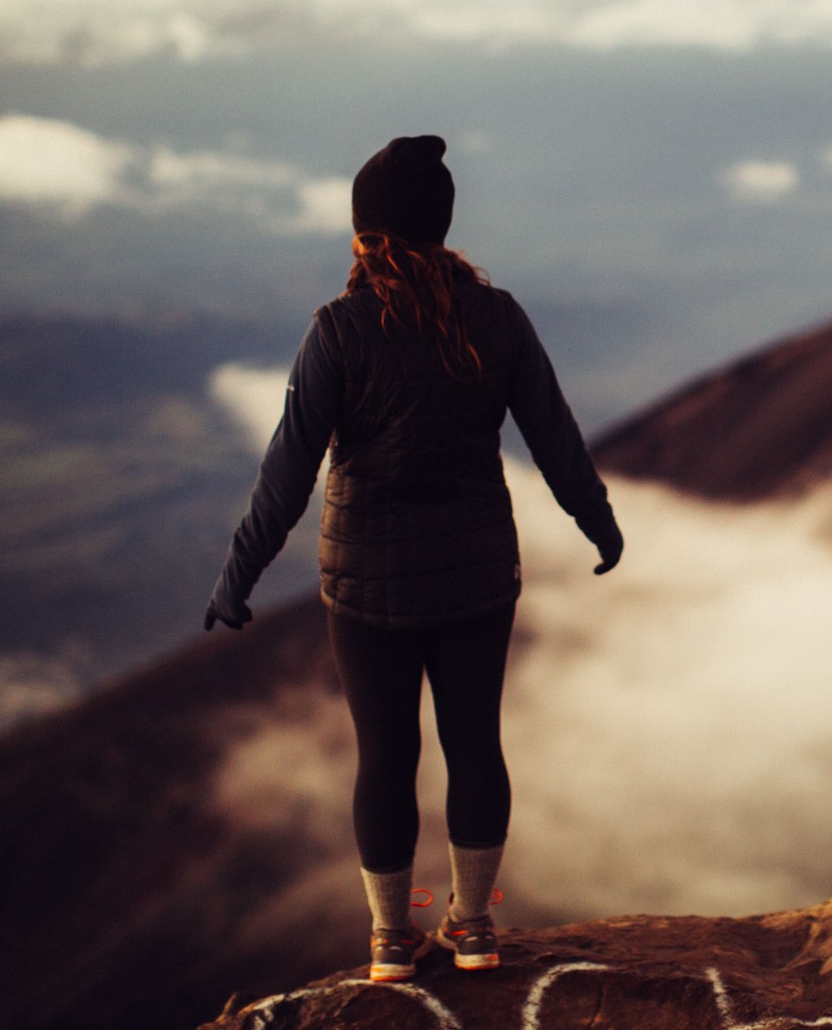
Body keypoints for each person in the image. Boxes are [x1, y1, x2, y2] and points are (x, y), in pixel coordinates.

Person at [203, 134, 623, 980]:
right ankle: (472, 928)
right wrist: (596, 519)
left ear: (365, 236)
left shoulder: (338, 330)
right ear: (440, 228)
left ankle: (393, 939)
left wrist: (237, 576)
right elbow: (554, 435)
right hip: (477, 575)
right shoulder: (496, 318)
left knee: (385, 755)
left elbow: (287, 473)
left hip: (366, 584)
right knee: (475, 745)